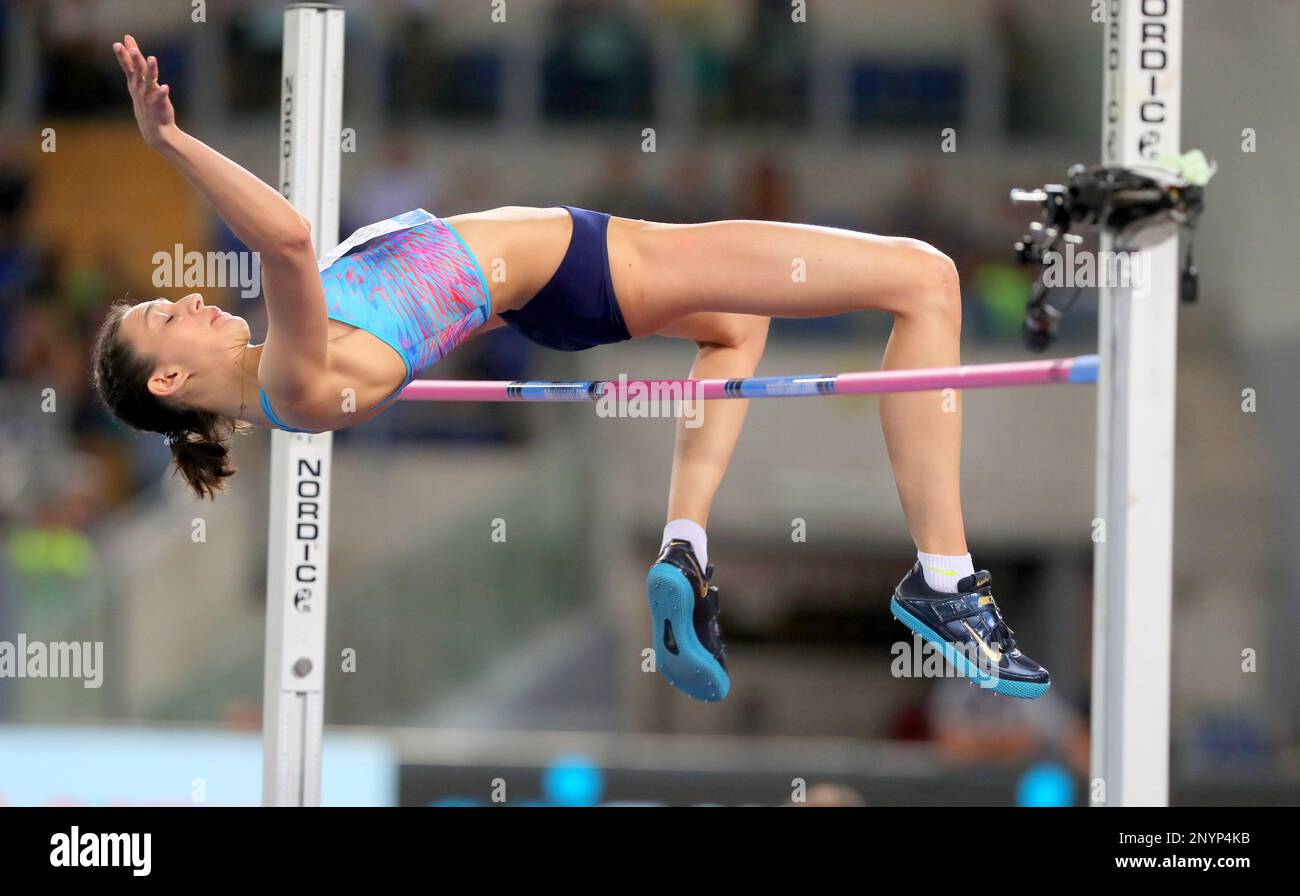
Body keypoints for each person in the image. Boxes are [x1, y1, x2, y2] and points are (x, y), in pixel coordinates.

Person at [92, 36, 1050, 705]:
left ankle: (686, 546)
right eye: (163, 316)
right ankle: (946, 580)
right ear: (169, 382)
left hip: (554, 292)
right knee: (927, 280)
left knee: (739, 326)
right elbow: (291, 238)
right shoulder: (289, 384)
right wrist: (171, 142)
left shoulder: (279, 374)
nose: (186, 301)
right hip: (594, 267)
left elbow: (327, 262)